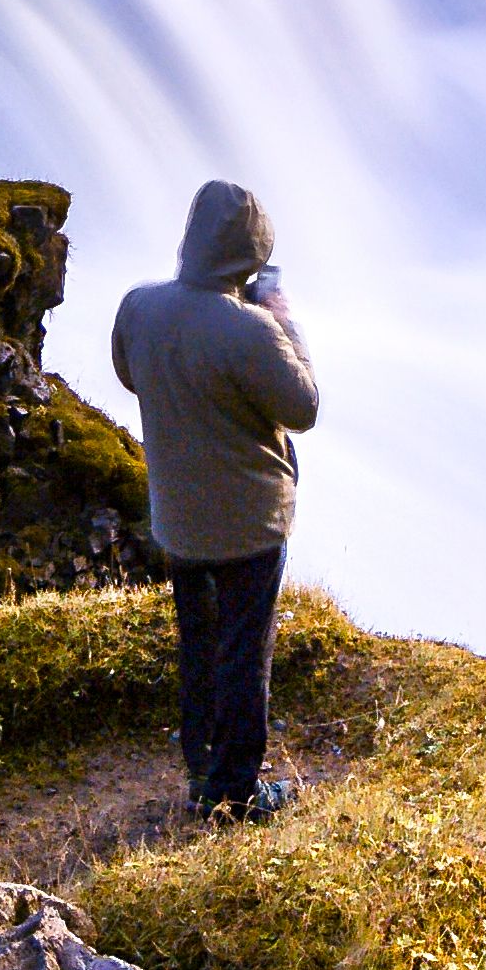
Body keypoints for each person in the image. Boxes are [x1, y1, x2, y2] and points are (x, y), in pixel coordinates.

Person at [111, 178, 321, 820]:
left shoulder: (138, 307)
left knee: (199, 645)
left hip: (178, 517)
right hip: (250, 523)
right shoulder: (252, 330)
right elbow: (303, 407)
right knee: (244, 652)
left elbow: (129, 374)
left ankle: (202, 768)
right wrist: (284, 322)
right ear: (252, 255)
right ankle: (235, 792)